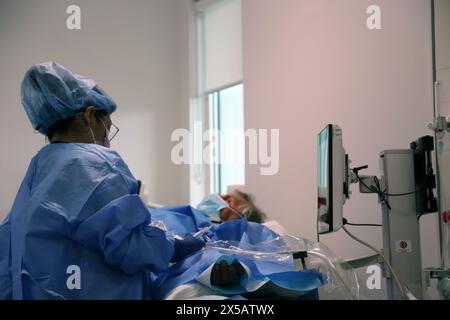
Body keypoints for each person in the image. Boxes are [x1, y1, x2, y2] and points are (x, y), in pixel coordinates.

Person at [0, 62, 204, 300]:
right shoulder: (94, 162)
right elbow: (130, 246)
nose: (107, 141)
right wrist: (174, 247)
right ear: (89, 116)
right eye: (107, 130)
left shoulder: (40, 164)